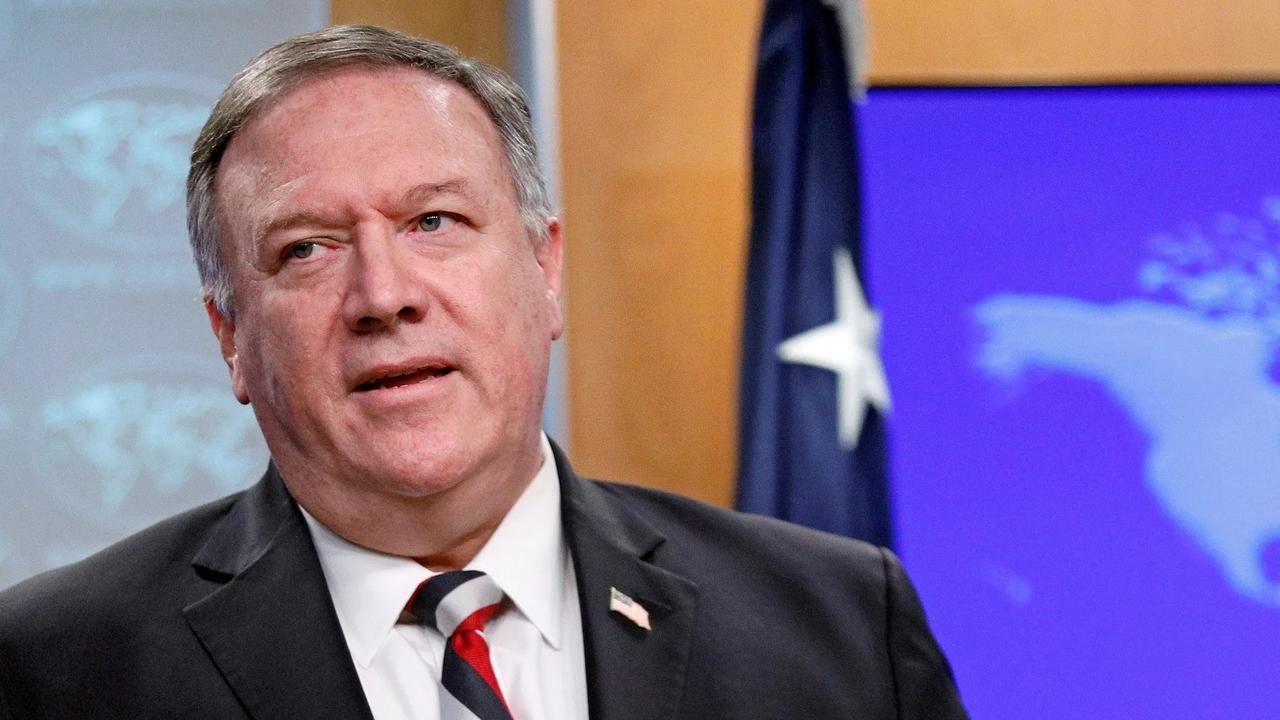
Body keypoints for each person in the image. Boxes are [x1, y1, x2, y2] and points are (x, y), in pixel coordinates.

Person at [0, 25, 968, 720]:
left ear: (544, 272)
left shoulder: (840, 623)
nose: (384, 294)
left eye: (434, 221)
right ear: (229, 337)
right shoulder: (52, 669)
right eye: (306, 248)